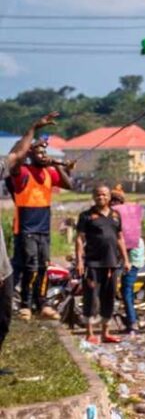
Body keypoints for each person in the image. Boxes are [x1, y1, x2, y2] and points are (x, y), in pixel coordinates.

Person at [0, 112, 57, 375]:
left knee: (3, 316)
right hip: (24, 234)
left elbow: (15, 155)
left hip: (3, 266)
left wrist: (33, 128)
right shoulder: (19, 176)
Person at [7, 135, 74, 321]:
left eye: (45, 152)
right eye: (39, 152)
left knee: (44, 267)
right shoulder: (23, 171)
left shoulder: (49, 172)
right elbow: (14, 162)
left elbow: (68, 184)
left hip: (43, 228)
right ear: (30, 154)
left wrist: (58, 165)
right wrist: (29, 146)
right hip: (25, 229)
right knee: (31, 267)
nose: (43, 155)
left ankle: (42, 304)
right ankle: (25, 306)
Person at [75, 184, 130, 344]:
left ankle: (106, 332)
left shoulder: (115, 215)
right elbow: (79, 238)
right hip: (92, 264)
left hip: (112, 264)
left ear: (109, 197)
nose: (101, 197)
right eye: (98, 195)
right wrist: (79, 261)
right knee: (91, 298)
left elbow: (120, 238)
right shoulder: (86, 216)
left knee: (109, 298)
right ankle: (89, 333)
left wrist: (126, 260)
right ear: (94, 197)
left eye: (104, 195)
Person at [112, 187, 145, 336]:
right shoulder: (119, 215)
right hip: (125, 254)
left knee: (126, 289)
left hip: (132, 256)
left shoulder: (124, 215)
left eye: (114, 201)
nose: (112, 204)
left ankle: (133, 323)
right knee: (124, 290)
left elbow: (128, 241)